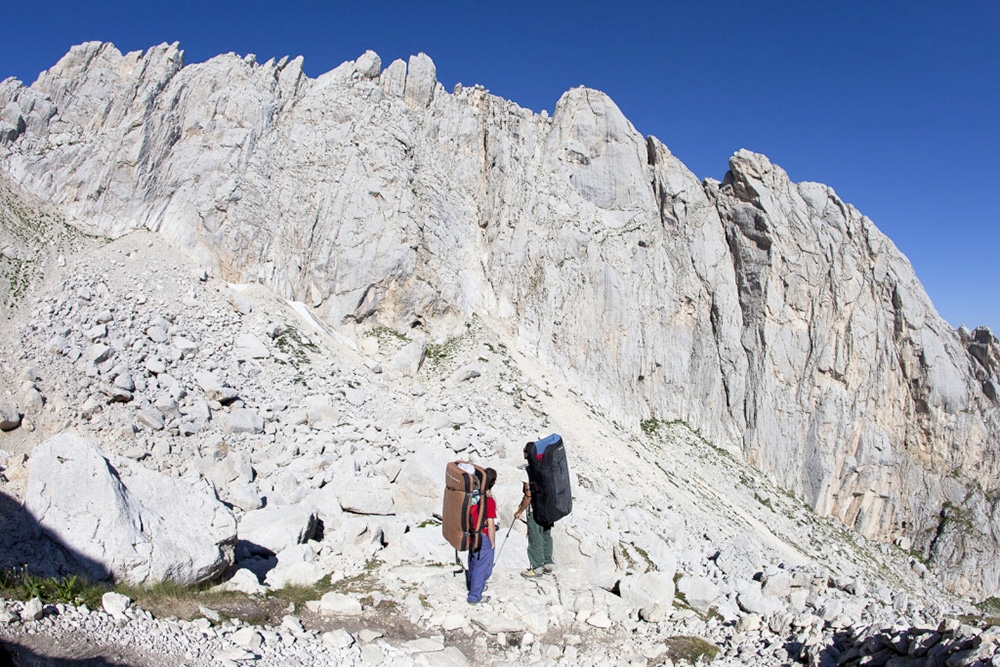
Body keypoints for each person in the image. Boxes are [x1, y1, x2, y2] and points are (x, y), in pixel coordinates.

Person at [514, 446, 554, 578]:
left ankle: (536, 567)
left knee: (535, 536)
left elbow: (528, 495)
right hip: (548, 507)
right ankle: (547, 563)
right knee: (546, 534)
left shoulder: (528, 471)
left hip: (535, 508)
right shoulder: (546, 466)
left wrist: (520, 511)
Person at [466, 467, 497, 604]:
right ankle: (475, 595)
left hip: (472, 533)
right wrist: (492, 543)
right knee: (482, 564)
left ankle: (472, 585)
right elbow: (490, 525)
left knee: (473, 560)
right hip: (483, 535)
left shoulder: (472, 498)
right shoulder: (489, 501)